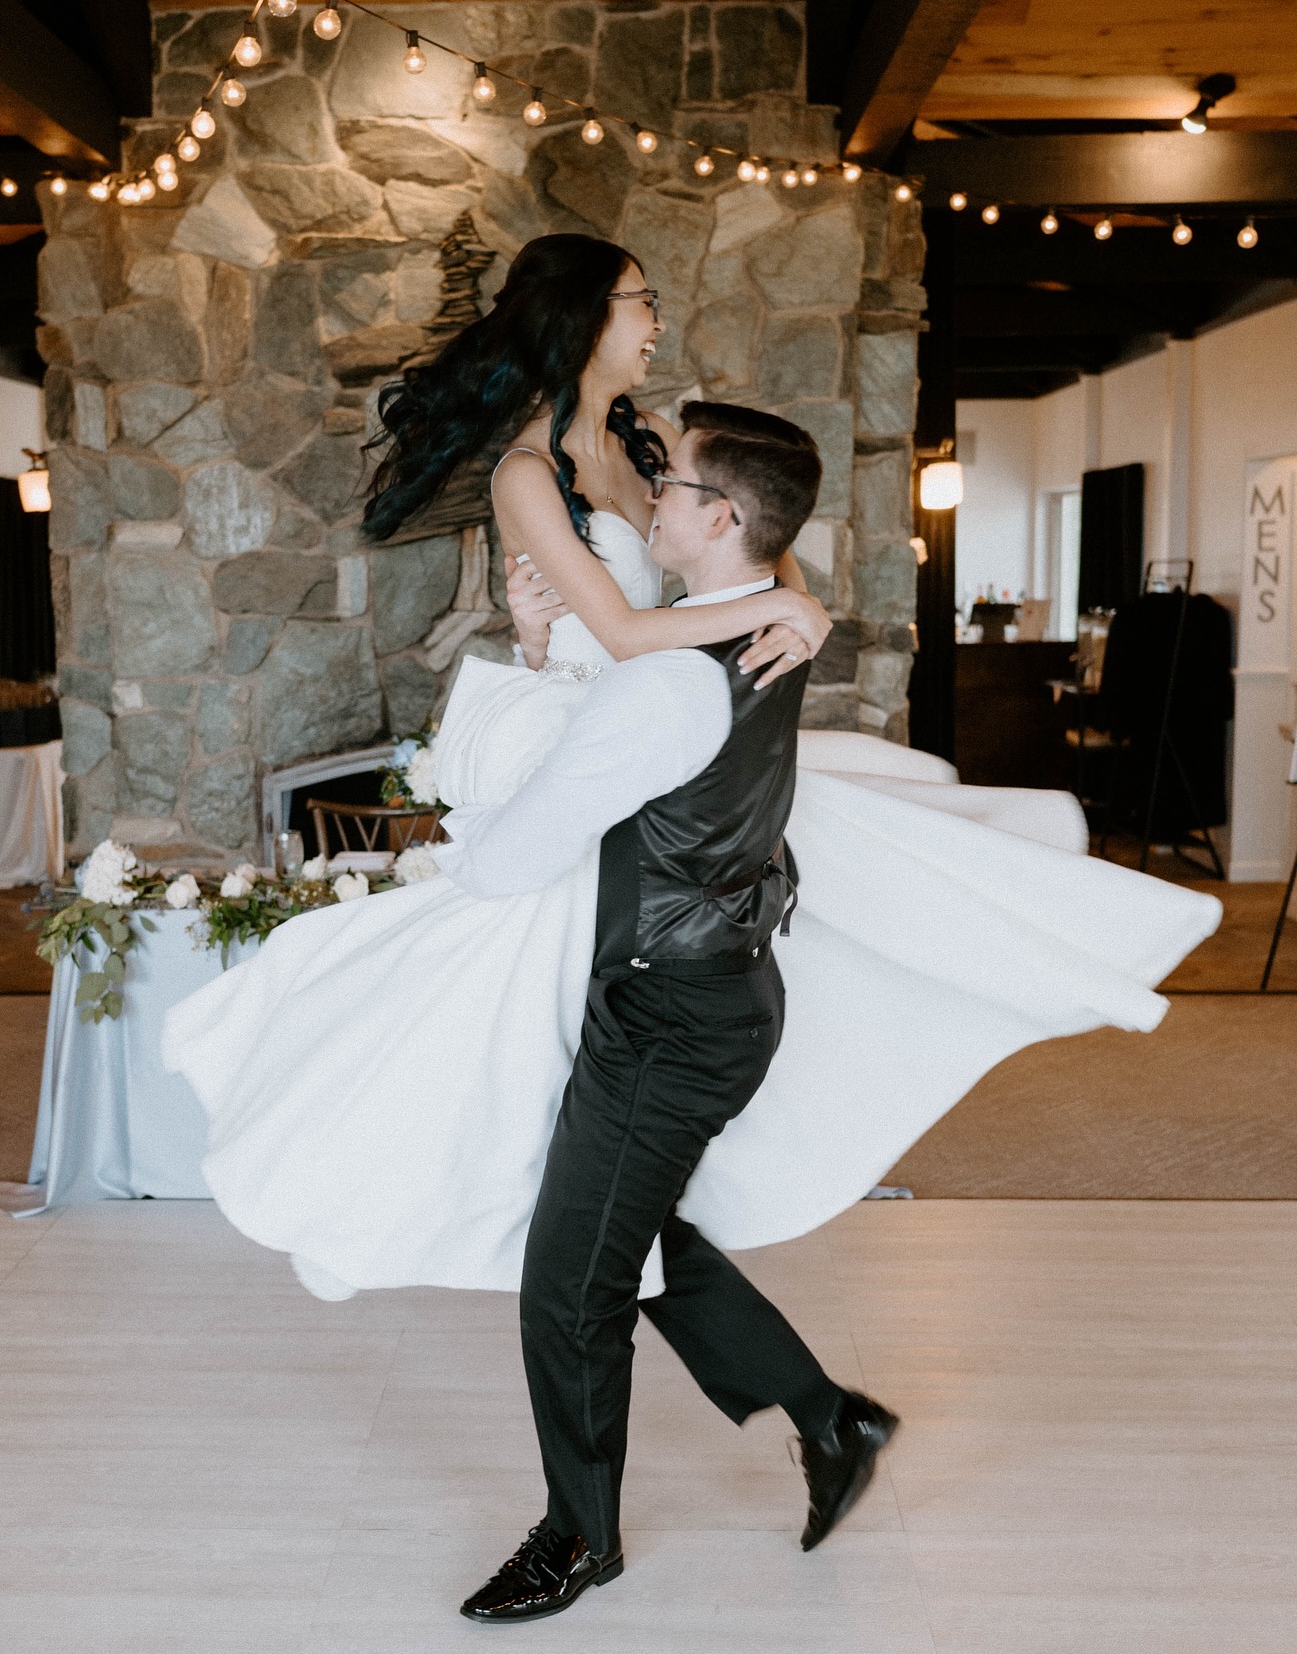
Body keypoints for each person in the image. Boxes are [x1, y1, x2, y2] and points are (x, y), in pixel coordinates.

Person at [162, 232, 1217, 1408]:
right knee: (509, 1036)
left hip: (664, 737)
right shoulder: (527, 474)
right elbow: (619, 633)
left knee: (864, 863)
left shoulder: (652, 437)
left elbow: (760, 555)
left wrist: (802, 612)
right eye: (639, 300)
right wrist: (591, 630)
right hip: (600, 728)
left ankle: (769, 1349)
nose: (656, 319)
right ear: (581, 317)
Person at [444, 404, 898, 1622]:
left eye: (675, 482)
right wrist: (541, 652)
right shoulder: (755, 632)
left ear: (723, 518)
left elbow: (510, 855)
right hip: (707, 997)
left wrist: (450, 854)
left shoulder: (674, 681)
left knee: (568, 1284)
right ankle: (831, 1419)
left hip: (668, 1016)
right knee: (622, 1238)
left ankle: (576, 1539)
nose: (653, 493)